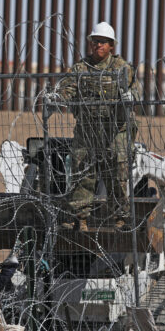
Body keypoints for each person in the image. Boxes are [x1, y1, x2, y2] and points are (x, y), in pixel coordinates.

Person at [55, 21, 141, 231]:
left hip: (115, 130)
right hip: (88, 129)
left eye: (103, 42)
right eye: (95, 41)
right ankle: (80, 217)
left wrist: (130, 97)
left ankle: (120, 218)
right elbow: (68, 89)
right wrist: (59, 98)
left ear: (112, 46)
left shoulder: (122, 68)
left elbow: (136, 92)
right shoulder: (81, 68)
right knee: (82, 172)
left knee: (117, 174)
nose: (98, 45)